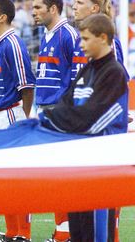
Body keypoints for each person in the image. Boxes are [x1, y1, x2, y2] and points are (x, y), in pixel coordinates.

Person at [39, 13, 128, 242]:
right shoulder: (86, 71)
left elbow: (91, 120)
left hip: (101, 168)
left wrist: (58, 120)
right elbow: (67, 104)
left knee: (97, 235)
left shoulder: (114, 73)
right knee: (78, 232)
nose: (81, 45)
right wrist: (46, 117)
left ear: (103, 37)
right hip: (79, 165)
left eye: (86, 39)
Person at [0, 0, 35, 241]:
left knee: (15, 177)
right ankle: (13, 230)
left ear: (3, 17)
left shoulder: (12, 43)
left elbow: (26, 85)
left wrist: (23, 118)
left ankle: (22, 232)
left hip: (8, 114)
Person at [31, 0, 79, 239]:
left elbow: (76, 75)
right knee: (53, 174)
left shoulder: (68, 35)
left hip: (61, 112)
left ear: (53, 8)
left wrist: (67, 110)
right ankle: (62, 230)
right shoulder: (47, 36)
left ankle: (67, 231)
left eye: (39, 7)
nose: (34, 11)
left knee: (64, 173)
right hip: (45, 110)